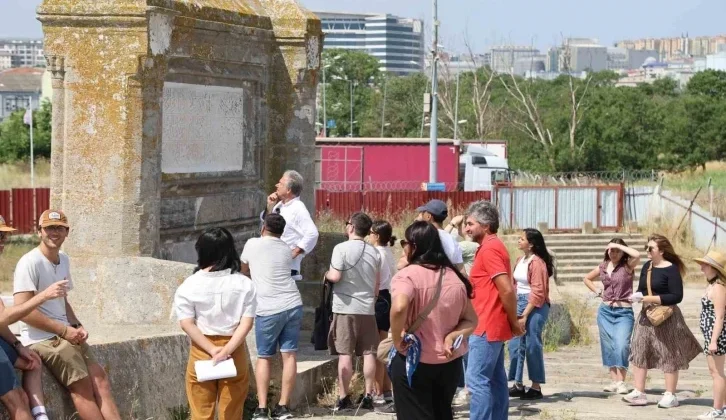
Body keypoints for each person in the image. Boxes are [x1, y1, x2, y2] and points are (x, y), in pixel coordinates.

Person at [13, 210, 121, 420]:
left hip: (65, 333)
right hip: (43, 338)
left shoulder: (63, 259)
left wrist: (76, 324)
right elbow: (22, 311)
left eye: (59, 228)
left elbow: (62, 300)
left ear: (67, 232)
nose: (54, 233)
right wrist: (64, 330)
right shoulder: (29, 262)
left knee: (101, 381)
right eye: (49, 228)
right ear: (39, 232)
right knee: (83, 390)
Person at [389, 221, 478, 420]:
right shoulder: (455, 278)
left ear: (414, 246)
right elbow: (471, 320)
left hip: (413, 361)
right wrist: (453, 335)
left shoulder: (407, 276)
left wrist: (397, 339)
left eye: (405, 242)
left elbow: (399, 307)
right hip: (448, 363)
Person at [173, 227, 256, 420]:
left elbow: (186, 323)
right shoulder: (244, 284)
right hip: (233, 349)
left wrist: (212, 350)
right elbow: (247, 323)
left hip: (202, 349)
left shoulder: (189, 285)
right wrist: (226, 350)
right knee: (232, 411)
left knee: (201, 411)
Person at [622, 234, 702, 408]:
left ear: (662, 251)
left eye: (651, 248)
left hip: (667, 317)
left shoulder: (671, 269)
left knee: (668, 353)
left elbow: (676, 296)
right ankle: (639, 391)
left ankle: (670, 394)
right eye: (646, 247)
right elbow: (642, 289)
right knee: (639, 348)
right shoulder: (647, 267)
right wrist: (637, 296)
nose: (647, 251)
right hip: (646, 315)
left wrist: (651, 298)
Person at [463, 200, 523, 420]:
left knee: (476, 381)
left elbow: (506, 290)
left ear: (486, 226)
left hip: (485, 326)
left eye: (470, 224)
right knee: (496, 380)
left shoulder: (489, 249)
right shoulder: (490, 247)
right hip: (490, 325)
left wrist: (514, 322)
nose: (467, 228)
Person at [242, 214, 303, 420]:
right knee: (289, 355)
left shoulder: (252, 244)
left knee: (264, 357)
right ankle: (283, 406)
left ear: (263, 227)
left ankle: (261, 408)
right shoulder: (286, 248)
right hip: (293, 303)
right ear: (282, 231)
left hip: (268, 307)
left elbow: (243, 270)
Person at [324, 212, 381, 412]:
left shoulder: (340, 248)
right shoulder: (374, 252)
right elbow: (376, 286)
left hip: (345, 307)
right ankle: (367, 396)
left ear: (351, 227)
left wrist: (326, 275)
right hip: (367, 308)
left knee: (345, 353)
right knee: (369, 353)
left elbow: (336, 275)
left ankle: (343, 397)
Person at [582, 238, 640, 395]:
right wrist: (597, 291)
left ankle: (622, 382)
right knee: (608, 346)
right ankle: (615, 381)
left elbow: (637, 254)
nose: (613, 253)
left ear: (622, 252)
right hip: (605, 311)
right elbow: (586, 278)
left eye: (617, 251)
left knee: (621, 345)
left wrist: (618, 244)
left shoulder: (627, 266)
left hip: (624, 312)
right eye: (611, 250)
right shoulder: (602, 266)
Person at [507, 228, 554, 400]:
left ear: (531, 244)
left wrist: (525, 314)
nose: (518, 241)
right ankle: (517, 383)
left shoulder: (537, 263)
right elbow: (514, 284)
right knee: (514, 344)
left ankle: (536, 386)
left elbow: (538, 291)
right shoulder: (520, 260)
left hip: (535, 305)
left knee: (532, 344)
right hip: (519, 301)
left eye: (522, 239)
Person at [443, 214, 479, 405]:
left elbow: (442, 243)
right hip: (474, 296)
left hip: (464, 296)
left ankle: (463, 386)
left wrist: (450, 225)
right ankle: (468, 385)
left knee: (461, 343)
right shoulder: (476, 247)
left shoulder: (466, 247)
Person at [264, 170, 319, 280]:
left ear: (289, 190)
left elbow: (312, 234)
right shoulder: (279, 205)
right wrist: (269, 207)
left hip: (287, 269)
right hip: (271, 263)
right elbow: (267, 228)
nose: (277, 185)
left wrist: (295, 252)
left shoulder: (298, 208)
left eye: (280, 183)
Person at [693, 251, 726, 420]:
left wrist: (713, 340)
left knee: (717, 373)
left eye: (705, 265)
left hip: (717, 336)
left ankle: (717, 409)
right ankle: (723, 406)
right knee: (714, 371)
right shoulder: (712, 286)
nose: (701, 268)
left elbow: (720, 316)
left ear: (714, 268)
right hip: (710, 335)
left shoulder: (719, 288)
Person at [369, 220, 396, 406]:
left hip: (379, 298)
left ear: (377, 236)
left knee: (377, 349)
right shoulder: (389, 252)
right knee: (384, 346)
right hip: (388, 297)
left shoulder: (376, 253)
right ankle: (386, 389)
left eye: (370, 232)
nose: (368, 235)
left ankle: (378, 391)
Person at [415, 200, 464, 272]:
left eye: (423, 213)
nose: (421, 215)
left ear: (429, 216)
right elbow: (461, 269)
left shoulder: (424, 237)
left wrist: (417, 222)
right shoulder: (452, 240)